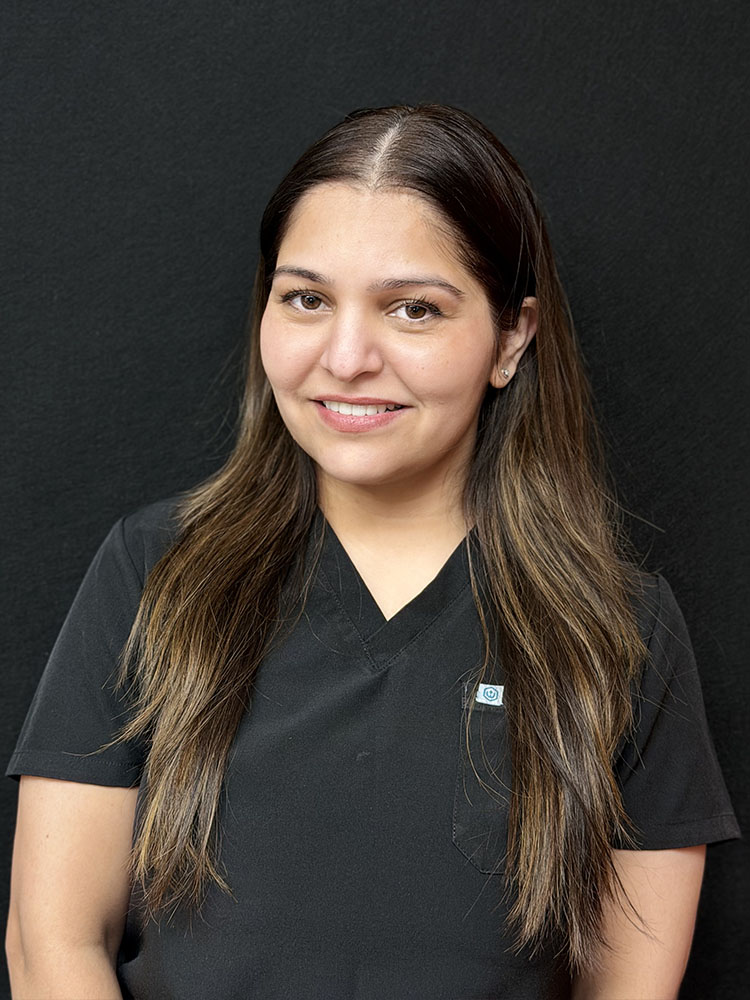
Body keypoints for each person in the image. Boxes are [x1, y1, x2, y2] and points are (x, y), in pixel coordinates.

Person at [5, 103, 740, 1000]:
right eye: (307, 299)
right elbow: (52, 946)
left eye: (413, 309)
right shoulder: (154, 574)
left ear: (512, 338)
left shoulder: (620, 632)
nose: (346, 357)